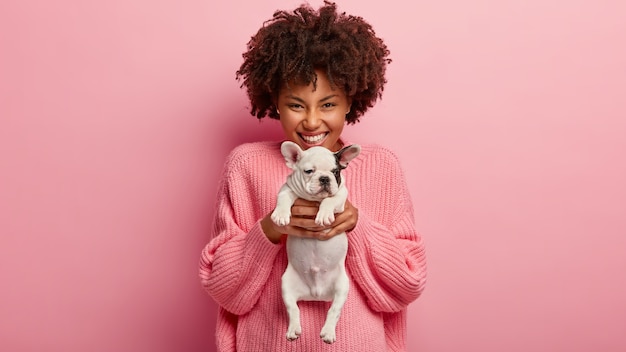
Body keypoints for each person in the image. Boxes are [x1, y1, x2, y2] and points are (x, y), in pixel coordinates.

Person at [199, 2, 427, 351]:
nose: (311, 121)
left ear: (351, 100)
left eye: (328, 104)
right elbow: (222, 287)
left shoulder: (382, 166)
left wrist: (356, 226)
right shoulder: (245, 165)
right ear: (274, 100)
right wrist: (271, 230)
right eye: (295, 105)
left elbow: (407, 284)